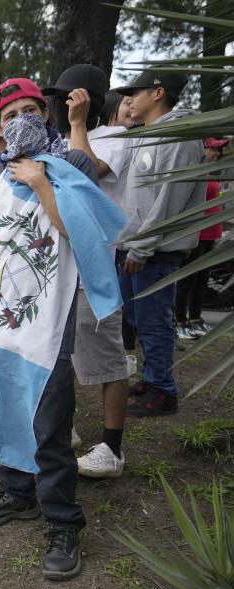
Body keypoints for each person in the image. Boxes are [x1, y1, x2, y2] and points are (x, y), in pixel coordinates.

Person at [0, 78, 122, 582]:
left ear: (46, 117)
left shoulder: (69, 164)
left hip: (47, 321)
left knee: (49, 417)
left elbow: (83, 234)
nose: (22, 120)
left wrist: (41, 182)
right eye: (11, 115)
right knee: (5, 403)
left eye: (31, 110)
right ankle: (16, 492)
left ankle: (63, 521)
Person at [44, 65, 135, 477]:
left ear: (87, 102)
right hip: (58, 265)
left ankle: (112, 449)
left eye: (68, 98)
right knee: (60, 352)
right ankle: (69, 430)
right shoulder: (60, 139)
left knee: (106, 356)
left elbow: (87, 172)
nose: (60, 106)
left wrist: (79, 123)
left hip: (92, 265)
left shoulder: (113, 137)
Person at [114, 68, 206, 417]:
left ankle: (164, 392)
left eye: (135, 93)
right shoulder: (150, 133)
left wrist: (141, 247)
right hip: (137, 247)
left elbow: (170, 200)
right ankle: (153, 379)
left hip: (155, 252)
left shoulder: (179, 136)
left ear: (157, 93)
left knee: (154, 321)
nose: (129, 100)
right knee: (139, 318)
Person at [175, 137, 227, 340]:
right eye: (212, 149)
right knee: (187, 280)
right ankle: (180, 321)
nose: (216, 154)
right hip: (196, 235)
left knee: (201, 280)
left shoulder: (212, 173)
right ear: (201, 149)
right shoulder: (195, 173)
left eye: (218, 150)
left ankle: (195, 319)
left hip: (211, 235)